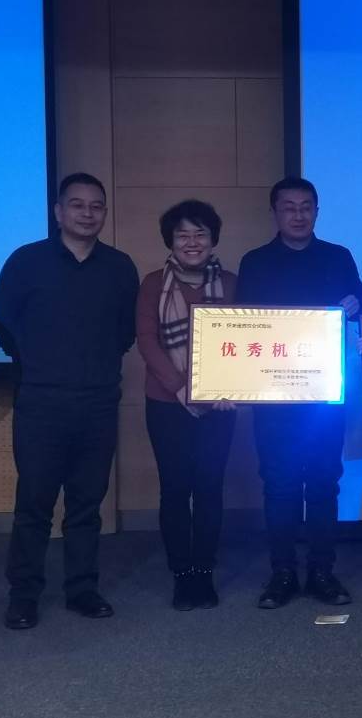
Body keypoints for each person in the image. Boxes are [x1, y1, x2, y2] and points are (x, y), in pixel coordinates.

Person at [0, 173, 139, 629]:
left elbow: (125, 332)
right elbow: (2, 323)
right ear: (58, 212)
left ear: (104, 213)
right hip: (41, 403)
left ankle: (82, 589)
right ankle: (23, 595)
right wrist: (36, 363)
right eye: (77, 205)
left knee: (86, 505)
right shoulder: (26, 261)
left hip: (98, 403)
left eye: (96, 206)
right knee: (34, 505)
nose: (87, 213)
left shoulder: (120, 267)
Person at [237, 176, 362, 609]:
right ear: (275, 212)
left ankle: (322, 572)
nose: (298, 215)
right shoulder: (256, 262)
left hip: (324, 394)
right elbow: (241, 323)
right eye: (289, 207)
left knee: (324, 483)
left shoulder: (337, 256)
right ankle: (282, 573)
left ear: (316, 211)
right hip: (274, 396)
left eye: (306, 207)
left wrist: (355, 303)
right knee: (279, 485)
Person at [136, 200, 237, 610]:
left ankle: (204, 572)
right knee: (175, 489)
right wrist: (179, 387)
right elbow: (147, 341)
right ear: (171, 241)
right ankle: (181, 573)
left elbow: (246, 340)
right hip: (165, 403)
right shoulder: (152, 284)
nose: (192, 242)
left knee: (210, 488)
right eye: (183, 235)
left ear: (213, 239)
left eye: (200, 234)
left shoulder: (231, 283)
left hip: (219, 406)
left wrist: (234, 387)